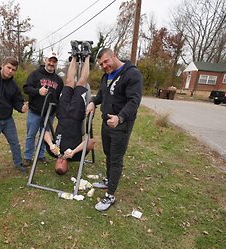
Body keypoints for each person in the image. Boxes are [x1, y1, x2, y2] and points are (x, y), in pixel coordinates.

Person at [86, 48, 143, 211]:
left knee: (116, 158)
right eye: (101, 64)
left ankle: (110, 196)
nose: (104, 66)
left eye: (106, 61)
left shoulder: (132, 75)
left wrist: (120, 118)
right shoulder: (106, 76)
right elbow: (102, 95)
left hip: (121, 124)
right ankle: (109, 181)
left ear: (114, 56)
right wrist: (92, 101)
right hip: (106, 122)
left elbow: (134, 101)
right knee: (108, 153)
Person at [43, 41, 95, 175]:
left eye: (58, 163)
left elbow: (44, 133)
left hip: (62, 113)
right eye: (63, 164)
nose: (60, 161)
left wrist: (51, 144)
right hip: (77, 115)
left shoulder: (53, 153)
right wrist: (74, 151)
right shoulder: (75, 157)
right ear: (67, 165)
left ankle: (74, 55)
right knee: (81, 82)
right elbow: (91, 142)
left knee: (69, 82)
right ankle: (88, 55)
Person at [22, 51, 64, 167]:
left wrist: (57, 110)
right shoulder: (35, 74)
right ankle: (28, 157)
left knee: (45, 135)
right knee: (31, 134)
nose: (51, 63)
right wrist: (38, 91)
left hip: (49, 114)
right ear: (45, 60)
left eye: (54, 62)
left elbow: (60, 97)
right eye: (50, 60)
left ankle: (41, 155)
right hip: (35, 112)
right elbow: (26, 88)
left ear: (56, 64)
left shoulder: (59, 80)